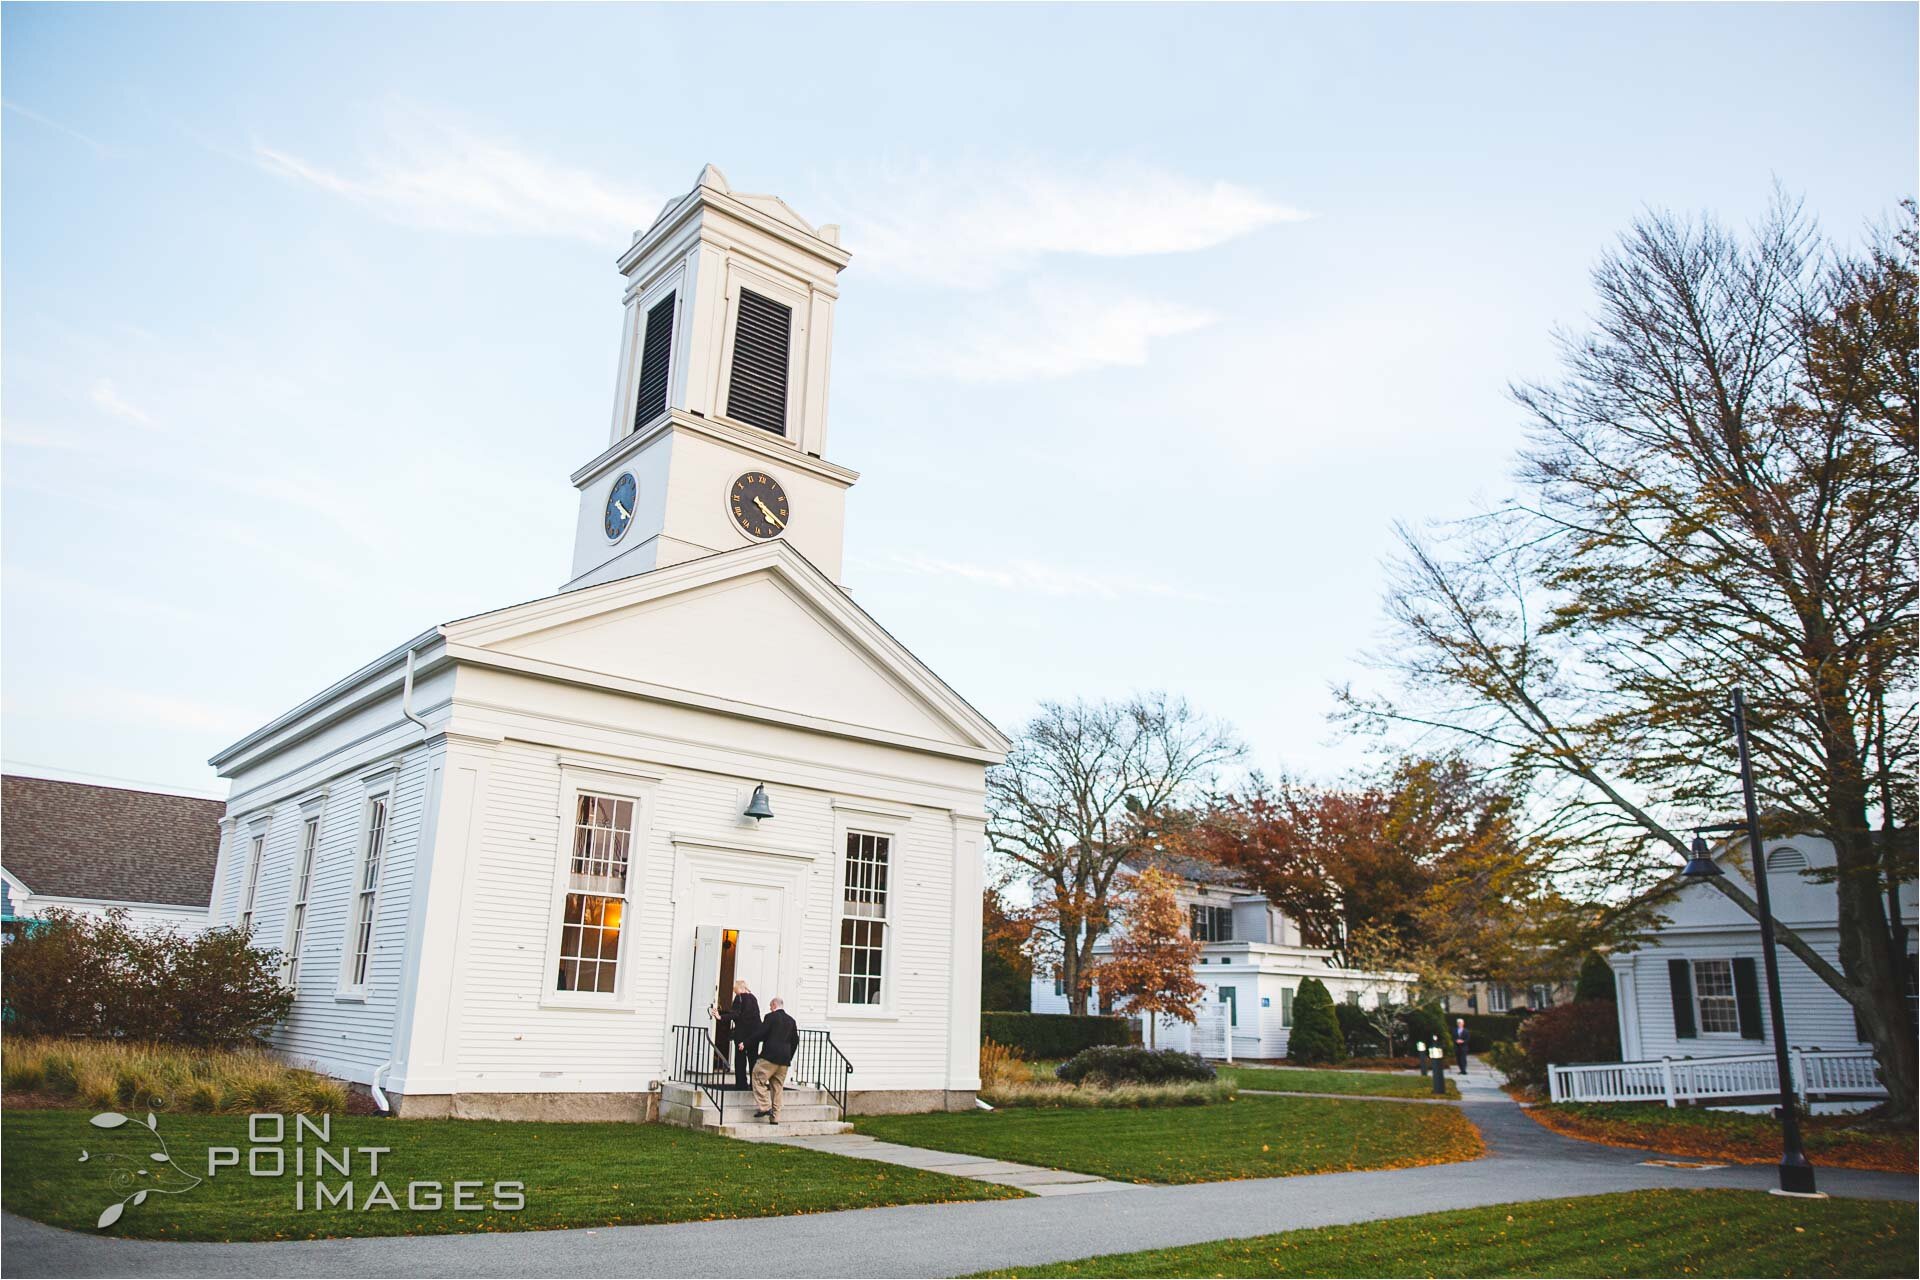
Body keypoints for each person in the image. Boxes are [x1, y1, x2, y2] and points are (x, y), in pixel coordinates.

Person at [753, 997, 800, 1123]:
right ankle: (775, 1117)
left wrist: (747, 1041)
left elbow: (761, 1034)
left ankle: (765, 1106)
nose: (770, 1008)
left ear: (774, 1005)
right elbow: (795, 1041)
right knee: (777, 1088)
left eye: (770, 1006)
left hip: (769, 1057)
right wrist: (788, 1056)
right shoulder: (791, 1020)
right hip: (784, 1060)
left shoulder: (770, 1017)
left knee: (757, 1078)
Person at [710, 979, 761, 1091]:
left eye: (735, 990)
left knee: (740, 1060)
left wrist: (720, 1017)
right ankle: (754, 1085)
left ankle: (741, 1084)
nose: (735, 993)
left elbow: (735, 1014)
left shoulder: (739, 998)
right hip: (753, 1035)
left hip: (742, 1034)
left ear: (739, 988)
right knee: (753, 1059)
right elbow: (757, 1018)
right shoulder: (754, 998)